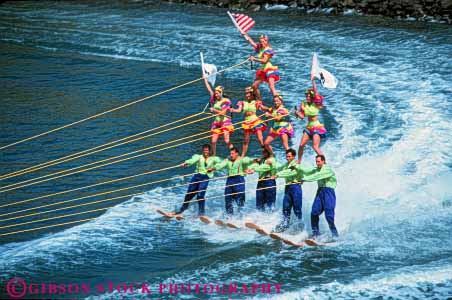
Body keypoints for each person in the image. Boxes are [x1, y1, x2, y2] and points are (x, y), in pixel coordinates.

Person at [172, 144, 222, 218]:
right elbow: (192, 160)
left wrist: (213, 168)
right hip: (196, 177)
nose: (205, 152)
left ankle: (201, 214)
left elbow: (221, 163)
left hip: (205, 177)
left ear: (209, 151)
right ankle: (182, 210)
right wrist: (186, 163)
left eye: (207, 150)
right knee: (189, 194)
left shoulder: (214, 159)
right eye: (204, 150)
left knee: (200, 195)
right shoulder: (198, 157)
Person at [301, 154, 339, 239]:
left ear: (323, 161)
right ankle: (316, 234)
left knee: (329, 216)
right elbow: (307, 171)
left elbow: (317, 176)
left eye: (318, 161)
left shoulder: (327, 169)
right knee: (314, 213)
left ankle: (335, 236)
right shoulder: (317, 169)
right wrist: (297, 167)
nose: (317, 163)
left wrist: (304, 179)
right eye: (316, 162)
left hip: (329, 193)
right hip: (320, 192)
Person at [208, 147, 253, 216]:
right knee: (228, 199)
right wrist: (213, 168)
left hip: (239, 180)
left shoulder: (241, 160)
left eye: (232, 153)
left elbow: (249, 161)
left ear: (237, 154)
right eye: (230, 153)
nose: (231, 155)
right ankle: (230, 216)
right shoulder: (227, 160)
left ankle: (241, 216)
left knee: (240, 199)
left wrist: (256, 160)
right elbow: (220, 165)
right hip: (230, 180)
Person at [273, 148, 310, 233]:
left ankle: (300, 227)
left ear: (293, 156)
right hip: (288, 188)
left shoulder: (296, 165)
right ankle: (285, 224)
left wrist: (278, 175)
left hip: (296, 187)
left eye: (289, 156)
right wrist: (272, 162)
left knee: (297, 208)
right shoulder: (286, 164)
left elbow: (289, 172)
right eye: (286, 156)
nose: (287, 158)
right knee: (286, 207)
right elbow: (279, 168)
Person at [240, 31, 280, 99]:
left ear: (266, 41)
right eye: (260, 42)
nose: (262, 43)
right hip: (263, 69)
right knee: (254, 86)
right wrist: (245, 35)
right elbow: (252, 43)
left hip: (269, 69)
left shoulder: (268, 50)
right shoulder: (261, 48)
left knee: (271, 86)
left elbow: (265, 61)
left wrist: (254, 59)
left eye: (263, 41)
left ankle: (278, 102)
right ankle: (259, 100)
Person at [295, 77, 326, 163]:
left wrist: (313, 81)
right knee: (301, 145)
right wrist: (297, 113)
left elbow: (316, 92)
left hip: (316, 126)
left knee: (315, 147)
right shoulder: (303, 104)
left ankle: (324, 163)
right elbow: (302, 116)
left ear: (312, 97)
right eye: (306, 96)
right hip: (309, 127)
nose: (307, 97)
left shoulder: (316, 103)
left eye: (309, 96)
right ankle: (299, 161)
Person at [230, 86, 267, 157]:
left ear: (252, 94)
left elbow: (262, 107)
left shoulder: (256, 102)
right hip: (247, 121)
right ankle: (242, 156)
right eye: (246, 94)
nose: (247, 95)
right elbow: (239, 110)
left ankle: (265, 153)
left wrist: (268, 109)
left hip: (255, 120)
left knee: (260, 138)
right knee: (246, 141)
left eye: (248, 94)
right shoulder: (242, 102)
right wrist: (233, 110)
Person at [203, 76, 234, 156]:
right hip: (217, 122)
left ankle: (234, 153)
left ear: (221, 93)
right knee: (213, 141)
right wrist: (205, 79)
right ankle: (213, 156)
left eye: (217, 93)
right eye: (215, 93)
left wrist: (214, 110)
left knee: (226, 141)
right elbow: (209, 90)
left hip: (225, 121)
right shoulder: (215, 99)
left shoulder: (226, 101)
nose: (215, 95)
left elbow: (223, 113)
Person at [246, 148, 279, 212]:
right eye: (262, 151)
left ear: (268, 152)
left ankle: (270, 218)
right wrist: (249, 168)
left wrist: (254, 170)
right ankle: (260, 218)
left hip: (269, 181)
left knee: (269, 203)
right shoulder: (261, 160)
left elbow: (265, 167)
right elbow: (255, 165)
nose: (263, 153)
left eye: (264, 152)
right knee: (259, 202)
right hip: (260, 182)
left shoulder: (272, 160)